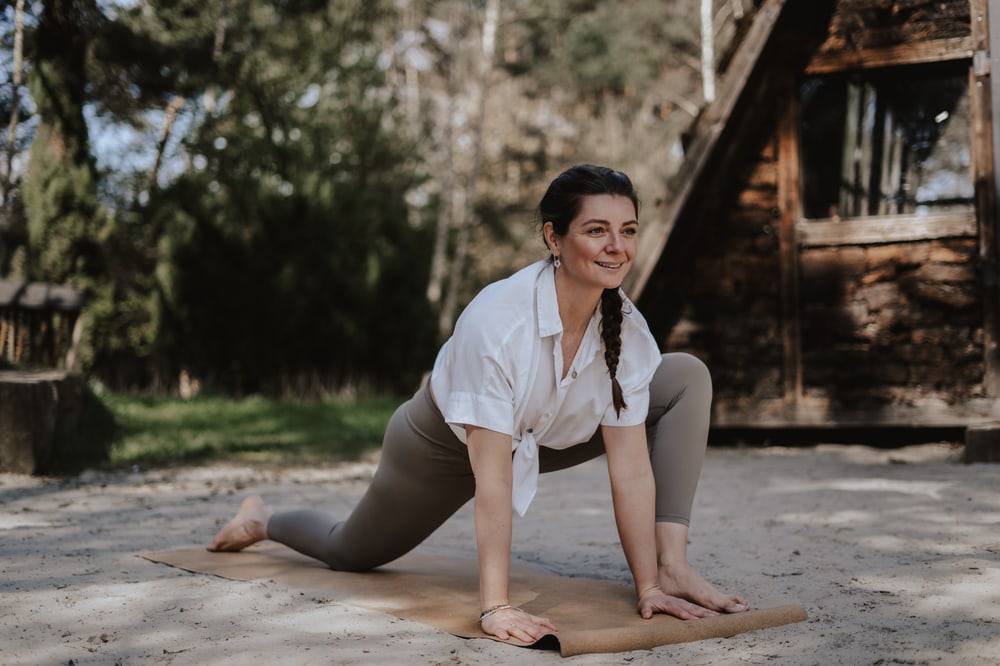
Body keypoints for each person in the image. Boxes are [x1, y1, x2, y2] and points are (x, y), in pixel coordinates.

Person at [208, 164, 749, 643]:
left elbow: (631, 471)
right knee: (351, 552)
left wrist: (650, 583)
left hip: (544, 436)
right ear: (553, 238)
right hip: (439, 447)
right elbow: (493, 479)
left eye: (627, 230)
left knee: (685, 376)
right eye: (596, 230)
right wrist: (495, 605)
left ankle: (673, 567)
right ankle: (264, 519)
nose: (617, 246)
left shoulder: (626, 328)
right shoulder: (498, 320)